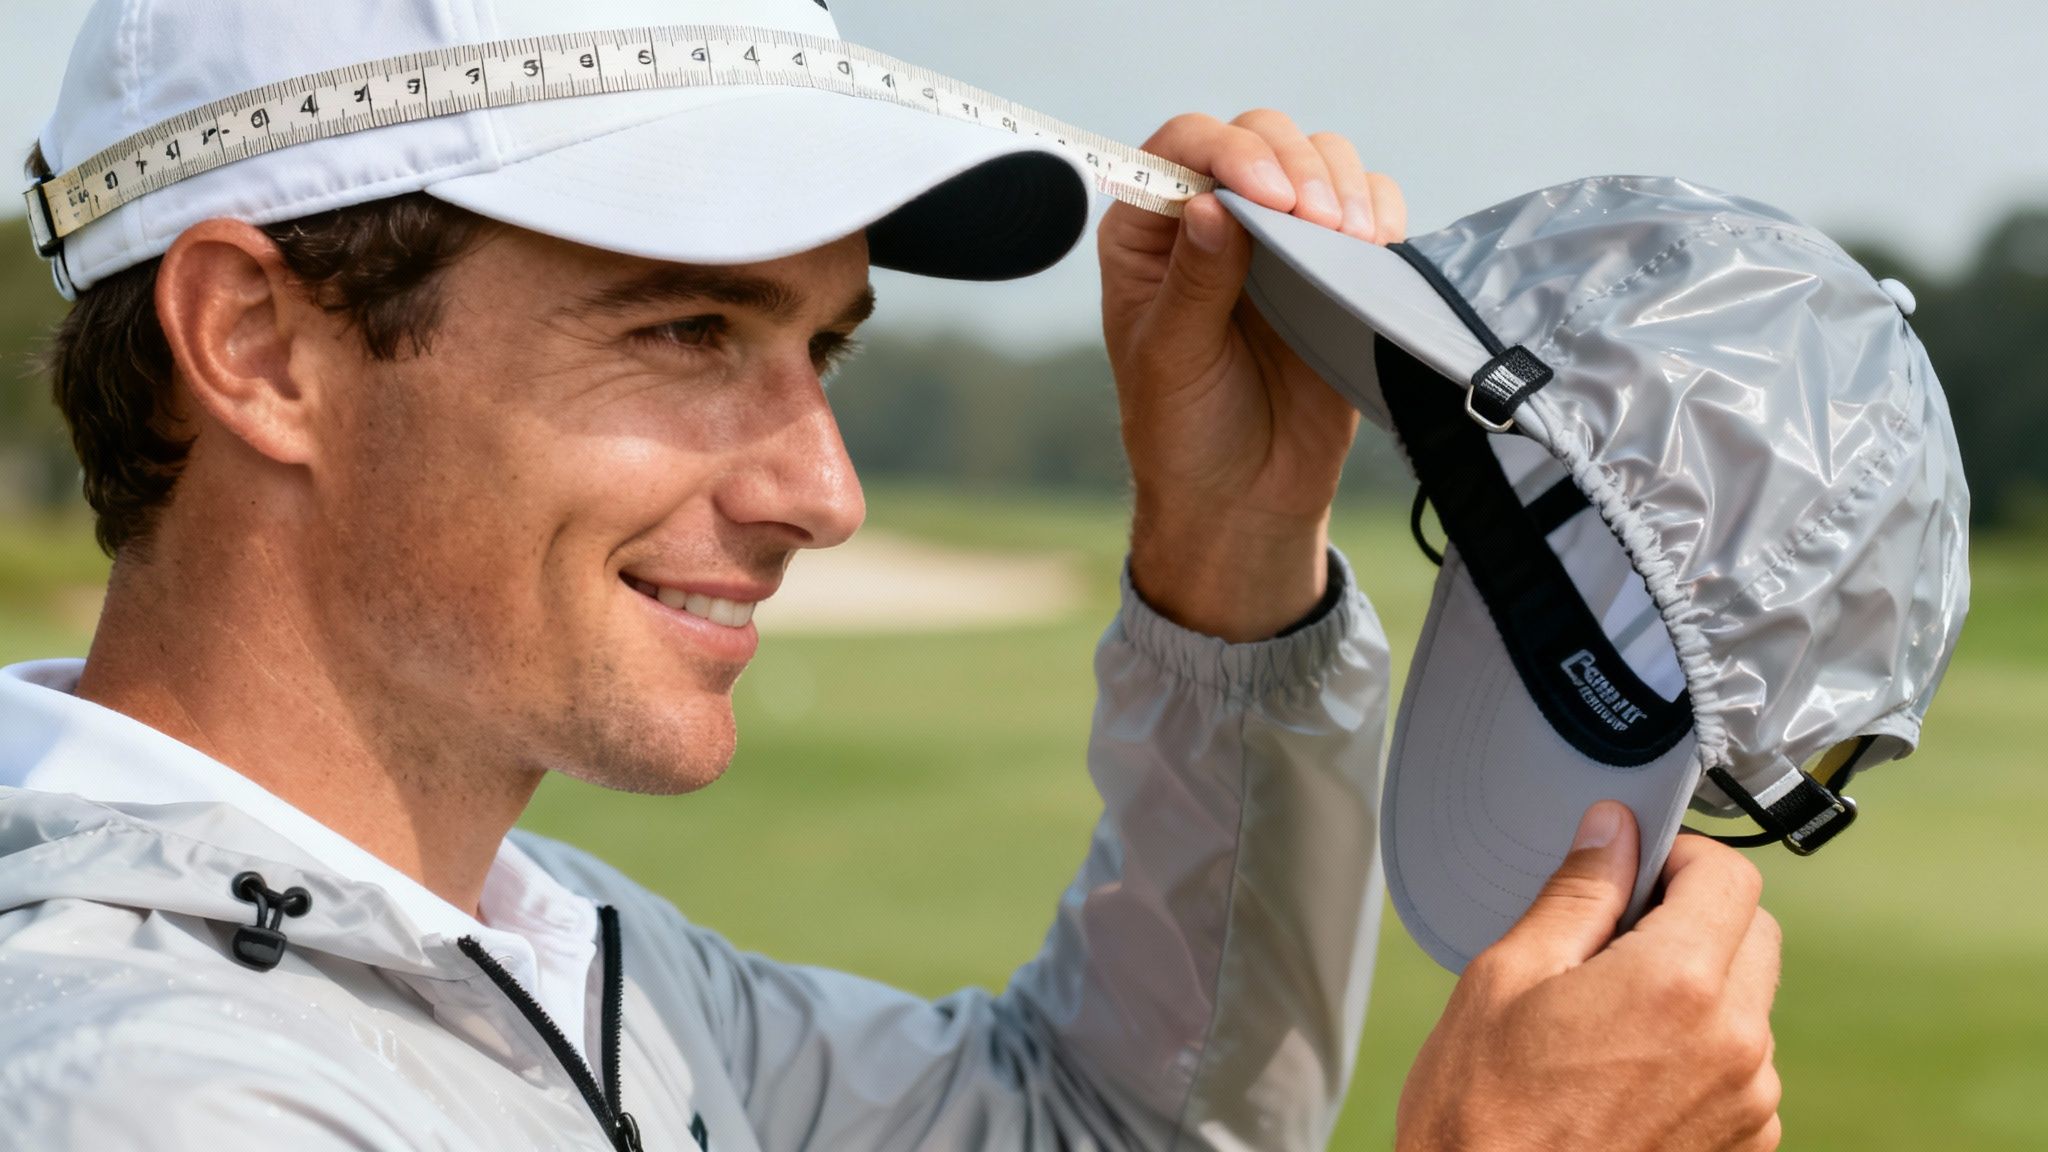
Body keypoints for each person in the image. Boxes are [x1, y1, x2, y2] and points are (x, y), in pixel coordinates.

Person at [0, 6, 1782, 1150]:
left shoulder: (551, 954)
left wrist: (1231, 551)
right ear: (255, 346)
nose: (822, 491)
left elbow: (1103, 1125)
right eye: (688, 328)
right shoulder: (140, 1086)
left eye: (822, 353)